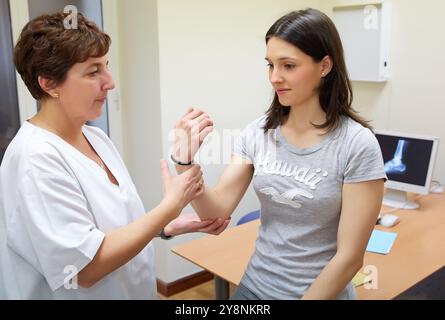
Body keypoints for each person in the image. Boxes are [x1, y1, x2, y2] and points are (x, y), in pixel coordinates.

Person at [0, 12, 228, 300]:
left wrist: (166, 226)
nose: (110, 82)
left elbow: (105, 233)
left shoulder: (96, 138)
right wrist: (170, 206)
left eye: (106, 67)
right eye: (93, 71)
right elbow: (84, 268)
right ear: (49, 84)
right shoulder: (35, 159)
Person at [172, 8, 386, 300]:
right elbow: (216, 211)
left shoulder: (356, 144)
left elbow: (349, 258)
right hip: (255, 287)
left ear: (324, 66)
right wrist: (185, 162)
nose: (274, 77)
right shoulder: (258, 133)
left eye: (288, 65)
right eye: (270, 65)